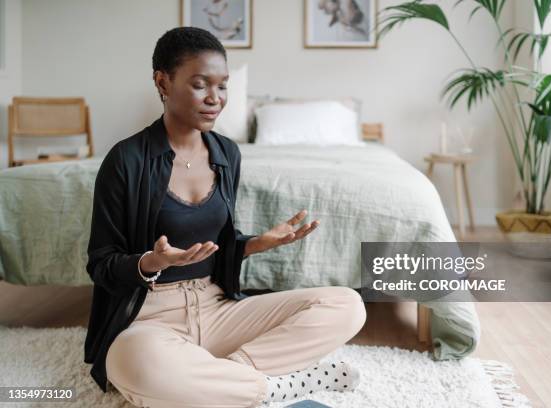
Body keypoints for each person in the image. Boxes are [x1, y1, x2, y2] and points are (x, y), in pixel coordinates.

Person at [84, 26, 367, 408]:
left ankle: (224, 379)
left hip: (217, 310)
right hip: (149, 318)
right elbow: (101, 264)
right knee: (140, 367)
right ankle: (272, 387)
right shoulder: (126, 160)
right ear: (162, 81)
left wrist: (255, 244)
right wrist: (151, 262)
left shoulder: (226, 154)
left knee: (347, 305)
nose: (215, 99)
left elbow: (220, 246)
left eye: (223, 86)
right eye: (200, 85)